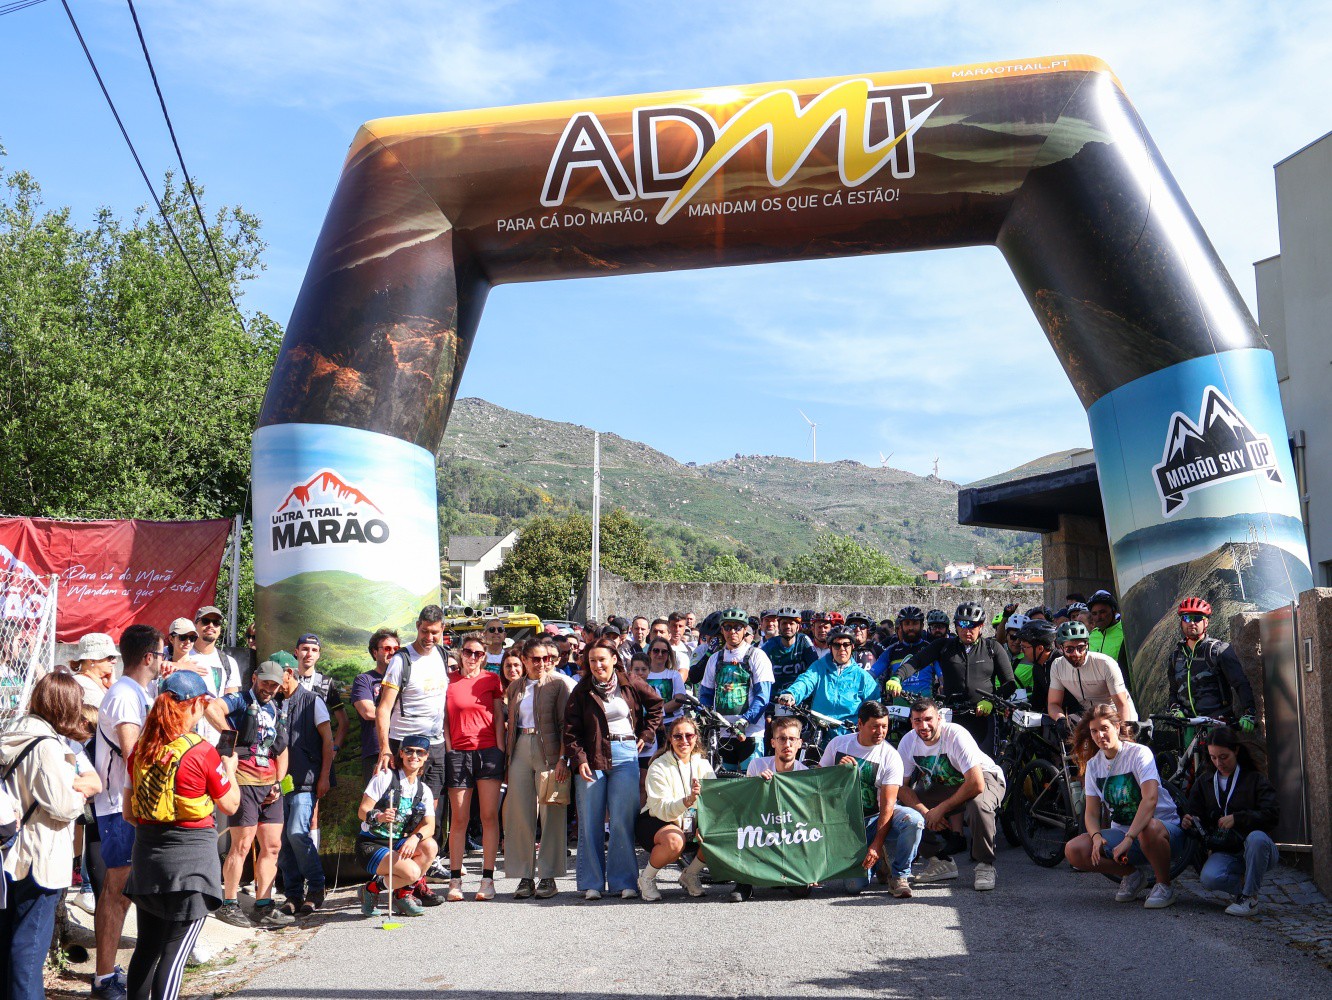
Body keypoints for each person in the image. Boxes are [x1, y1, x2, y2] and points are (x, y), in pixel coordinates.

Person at [121, 671, 239, 1000]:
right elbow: (230, 804)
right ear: (197, 704)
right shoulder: (202, 752)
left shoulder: (140, 750)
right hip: (191, 869)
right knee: (174, 958)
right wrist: (230, 769)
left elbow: (129, 813)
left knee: (147, 949)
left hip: (148, 862)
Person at [2, 673, 102, 1000]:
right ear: (65, 706)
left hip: (11, 852)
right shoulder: (46, 746)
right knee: (30, 945)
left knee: (11, 939)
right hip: (40, 857)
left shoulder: (12, 731)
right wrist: (79, 792)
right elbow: (61, 805)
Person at [91, 624, 167, 999]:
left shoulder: (138, 691)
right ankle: (104, 978)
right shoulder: (124, 695)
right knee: (117, 890)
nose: (164, 660)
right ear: (149, 656)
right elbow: (132, 753)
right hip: (118, 805)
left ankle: (115, 973)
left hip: (131, 804)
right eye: (163, 653)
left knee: (127, 890)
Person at [563, 639, 663, 900]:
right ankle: (592, 883)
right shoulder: (581, 689)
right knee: (590, 822)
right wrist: (579, 759)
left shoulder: (630, 682)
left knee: (621, 821)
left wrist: (647, 733)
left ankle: (623, 881)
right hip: (591, 758)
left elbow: (656, 706)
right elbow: (571, 730)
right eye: (592, 660)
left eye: (602, 659)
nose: (598, 665)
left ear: (614, 659)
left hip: (625, 755)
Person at [1064, 703, 1185, 908]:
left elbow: (1150, 800)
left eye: (1104, 728)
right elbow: (1092, 813)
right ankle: (1132, 875)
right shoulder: (1094, 765)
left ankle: (1164, 884)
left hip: (1162, 832)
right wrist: (1095, 837)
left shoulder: (1139, 754)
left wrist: (1130, 837)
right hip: (1123, 837)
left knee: (1148, 828)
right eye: (1094, 731)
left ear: (1118, 727)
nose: (1100, 735)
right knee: (1074, 850)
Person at [206, 660, 291, 929]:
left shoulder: (275, 708)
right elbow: (211, 707)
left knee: (273, 846)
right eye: (265, 682)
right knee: (241, 845)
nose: (269, 688)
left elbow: (282, 749)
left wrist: (279, 781)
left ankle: (263, 904)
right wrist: (230, 735)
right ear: (255, 677)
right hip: (243, 779)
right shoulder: (241, 700)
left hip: (270, 783)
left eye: (275, 685)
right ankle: (229, 903)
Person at [896, 698, 1006, 891]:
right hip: (946, 783)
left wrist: (940, 810)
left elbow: (976, 783)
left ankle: (985, 864)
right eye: (917, 721)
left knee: (977, 806)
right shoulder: (908, 741)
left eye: (928, 719)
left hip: (984, 776)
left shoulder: (955, 735)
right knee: (906, 808)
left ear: (939, 719)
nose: (923, 726)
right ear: (911, 721)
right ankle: (939, 861)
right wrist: (925, 811)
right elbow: (901, 788)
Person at [375, 606, 450, 883]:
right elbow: (383, 709)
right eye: (424, 631)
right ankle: (403, 875)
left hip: (436, 744)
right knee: (405, 809)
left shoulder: (442, 655)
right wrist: (385, 748)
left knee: (432, 808)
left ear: (442, 629)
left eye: (435, 632)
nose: (429, 637)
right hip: (406, 744)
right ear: (417, 626)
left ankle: (426, 869)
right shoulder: (401, 660)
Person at [819, 701, 923, 895]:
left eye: (885, 726)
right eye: (875, 726)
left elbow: (888, 807)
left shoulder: (890, 756)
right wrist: (836, 772)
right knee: (853, 886)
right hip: (845, 823)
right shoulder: (838, 744)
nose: (880, 732)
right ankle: (881, 863)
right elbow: (818, 783)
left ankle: (899, 874)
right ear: (860, 724)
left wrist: (875, 845)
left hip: (876, 816)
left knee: (914, 821)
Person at [503, 637, 575, 900]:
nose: (542, 664)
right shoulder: (515, 687)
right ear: (524, 660)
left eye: (546, 659)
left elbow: (566, 724)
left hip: (550, 751)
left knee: (552, 811)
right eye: (536, 659)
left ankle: (548, 876)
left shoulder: (558, 684)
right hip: (520, 746)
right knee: (520, 814)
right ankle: (524, 876)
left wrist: (563, 759)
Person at [1183, 727, 1280, 915]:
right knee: (1209, 878)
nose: (1218, 762)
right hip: (1226, 850)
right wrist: (1189, 823)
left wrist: (1238, 818)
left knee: (1257, 839)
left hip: (1257, 849)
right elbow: (1195, 815)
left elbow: (1272, 815)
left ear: (1235, 750)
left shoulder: (1254, 779)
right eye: (1213, 757)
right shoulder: (1204, 782)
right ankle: (1244, 887)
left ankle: (1249, 899)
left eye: (1223, 756)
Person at [892, 602, 1015, 749]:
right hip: (953, 715)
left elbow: (1009, 684)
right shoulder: (944, 646)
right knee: (949, 764)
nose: (967, 630)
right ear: (956, 626)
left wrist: (992, 702)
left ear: (981, 626)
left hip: (983, 717)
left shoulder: (993, 648)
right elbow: (916, 661)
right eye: (962, 625)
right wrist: (897, 677)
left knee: (984, 766)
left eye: (972, 625)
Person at [443, 634, 506, 901]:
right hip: (458, 752)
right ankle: (455, 880)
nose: (472, 657)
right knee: (459, 819)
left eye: (479, 654)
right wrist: (449, 749)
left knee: (489, 816)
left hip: (488, 751)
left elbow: (499, 715)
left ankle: (487, 880)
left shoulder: (492, 680)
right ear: (460, 653)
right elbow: (445, 718)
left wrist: (500, 750)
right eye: (468, 652)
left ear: (484, 657)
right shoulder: (449, 681)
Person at [274, 655, 334, 917]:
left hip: (306, 780)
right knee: (283, 840)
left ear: (289, 672)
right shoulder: (272, 702)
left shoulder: (313, 700)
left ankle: (317, 888)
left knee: (297, 833)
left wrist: (324, 776)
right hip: (278, 783)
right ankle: (293, 894)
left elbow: (328, 741)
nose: (271, 682)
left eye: (276, 675)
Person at [354, 734, 440, 918]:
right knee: (412, 872)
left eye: (420, 752)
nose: (414, 756)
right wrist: (379, 816)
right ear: (400, 753)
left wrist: (414, 838)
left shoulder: (423, 790)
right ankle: (370, 889)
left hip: (399, 842)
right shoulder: (385, 777)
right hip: (372, 843)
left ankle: (402, 894)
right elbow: (362, 810)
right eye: (409, 751)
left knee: (430, 846)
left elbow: (430, 826)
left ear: (426, 756)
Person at [636, 717, 714, 901]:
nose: (684, 741)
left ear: (696, 738)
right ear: (670, 739)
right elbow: (660, 809)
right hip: (657, 821)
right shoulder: (659, 766)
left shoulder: (702, 764)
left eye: (689, 735)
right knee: (674, 841)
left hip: (690, 823)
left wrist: (704, 824)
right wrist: (687, 801)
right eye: (678, 736)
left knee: (718, 835)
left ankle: (691, 874)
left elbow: (714, 802)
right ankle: (646, 878)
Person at [1166, 598, 1257, 731]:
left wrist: (1249, 713)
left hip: (1217, 724)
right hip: (1188, 726)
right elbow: (1173, 690)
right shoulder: (1176, 656)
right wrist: (1174, 707)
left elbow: (1240, 683)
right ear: (1181, 622)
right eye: (1186, 618)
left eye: (1197, 618)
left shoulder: (1219, 651)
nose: (1191, 622)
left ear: (1206, 622)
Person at [700, 609, 774, 769]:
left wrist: (746, 720)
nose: (732, 631)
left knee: (753, 781)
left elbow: (763, 697)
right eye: (727, 627)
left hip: (751, 732)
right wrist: (707, 716)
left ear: (745, 630)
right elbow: (706, 694)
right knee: (725, 784)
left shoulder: (757, 656)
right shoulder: (715, 659)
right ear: (721, 630)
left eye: (737, 627)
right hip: (724, 733)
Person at [778, 627, 878, 732]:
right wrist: (791, 694)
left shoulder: (863, 677)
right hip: (820, 732)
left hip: (848, 735)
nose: (842, 649)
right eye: (837, 645)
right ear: (830, 647)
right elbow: (805, 681)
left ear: (852, 646)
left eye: (846, 645)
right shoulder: (819, 666)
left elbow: (874, 707)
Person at [1047, 621, 1136, 735]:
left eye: (1081, 647)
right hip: (1091, 717)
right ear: (1061, 647)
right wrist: (1061, 719)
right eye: (1069, 649)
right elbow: (1053, 704)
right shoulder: (1057, 666)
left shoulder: (1105, 664)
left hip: (1119, 715)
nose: (1076, 654)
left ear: (1087, 645)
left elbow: (1122, 705)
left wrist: (1123, 731)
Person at [352, 629, 399, 785]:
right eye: (387, 648)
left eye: (396, 649)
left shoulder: (405, 679)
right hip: (376, 752)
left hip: (404, 750)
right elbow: (367, 712)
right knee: (378, 806)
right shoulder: (363, 680)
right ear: (374, 652)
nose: (392, 652)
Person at [292, 633, 348, 758]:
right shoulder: (289, 680)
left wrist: (334, 748)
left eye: (314, 650)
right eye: (305, 649)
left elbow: (343, 721)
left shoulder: (326, 683)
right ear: (296, 652)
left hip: (316, 750)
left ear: (318, 655)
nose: (309, 654)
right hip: (290, 749)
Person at [760, 607, 819, 698]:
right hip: (774, 700)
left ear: (798, 627)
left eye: (791, 623)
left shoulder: (803, 640)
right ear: (779, 626)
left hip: (801, 698)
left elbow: (815, 668)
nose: (787, 626)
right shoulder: (769, 645)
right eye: (784, 623)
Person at [1088, 590, 1132, 689]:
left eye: (1102, 612)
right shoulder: (1092, 635)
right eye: (1094, 614)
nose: (1098, 617)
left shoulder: (1126, 631)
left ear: (1114, 611)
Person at [1015, 619, 1060, 713]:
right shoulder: (1037, 666)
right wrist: (1019, 709)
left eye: (1024, 647)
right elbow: (1037, 701)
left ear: (1040, 648)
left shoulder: (1061, 663)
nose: (1021, 651)